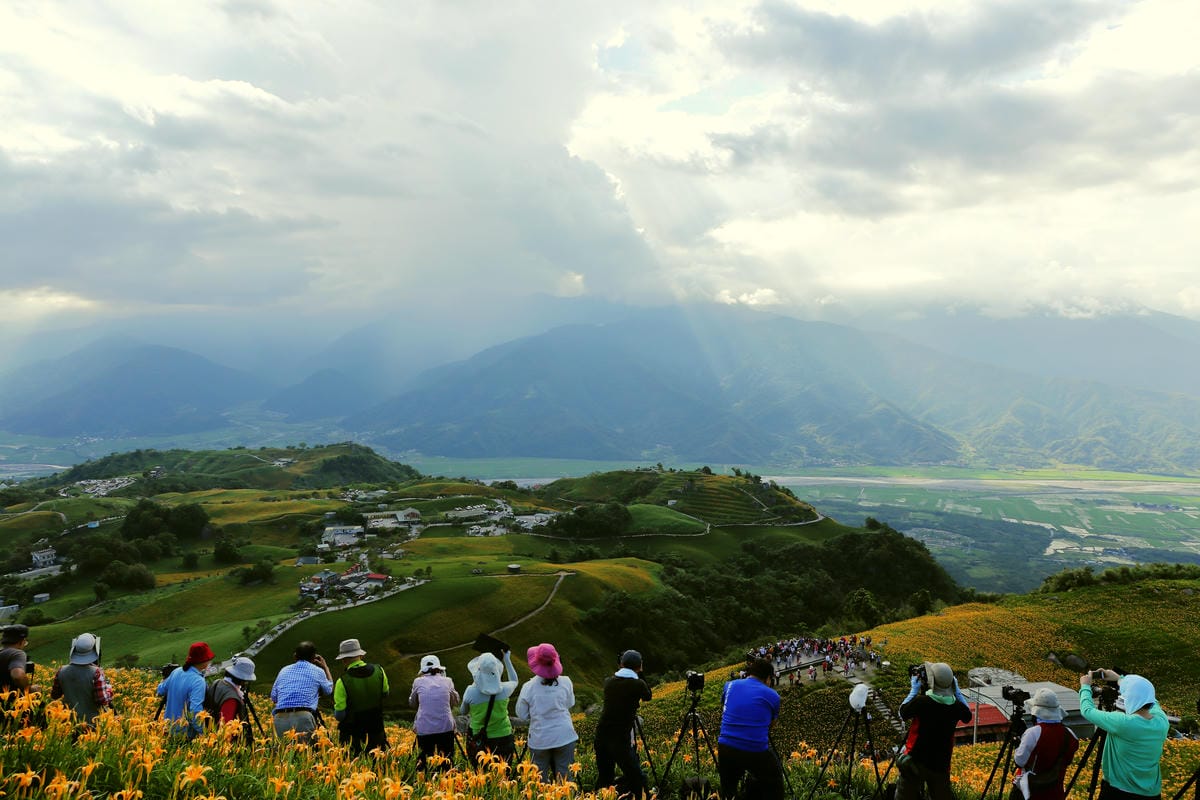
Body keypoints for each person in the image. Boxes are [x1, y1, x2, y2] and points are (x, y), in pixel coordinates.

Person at [1079, 669, 1168, 800]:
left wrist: (1085, 686)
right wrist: (1120, 679)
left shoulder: (1123, 723)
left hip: (1119, 791)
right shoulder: (1161, 721)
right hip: (1152, 793)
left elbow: (1087, 710)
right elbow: (1148, 697)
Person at [895, 662, 972, 800]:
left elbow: (902, 713)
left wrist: (914, 689)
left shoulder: (922, 702)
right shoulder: (956, 707)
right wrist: (957, 690)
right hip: (941, 764)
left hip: (915, 761)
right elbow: (968, 715)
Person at [717, 658, 783, 800]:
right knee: (775, 782)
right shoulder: (773, 696)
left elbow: (725, 706)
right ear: (768, 678)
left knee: (729, 790)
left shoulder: (729, 685)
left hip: (725, 746)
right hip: (755, 749)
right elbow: (770, 726)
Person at [594, 649, 653, 796]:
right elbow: (648, 696)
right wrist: (641, 672)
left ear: (621, 664)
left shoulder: (609, 682)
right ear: (639, 666)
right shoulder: (638, 684)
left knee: (605, 778)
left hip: (601, 736)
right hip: (619, 739)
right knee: (637, 778)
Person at [515, 643, 578, 780]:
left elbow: (522, 715)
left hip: (540, 738)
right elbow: (570, 703)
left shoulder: (528, 687)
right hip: (565, 736)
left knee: (539, 780)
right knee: (565, 779)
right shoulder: (566, 681)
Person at [1012, 688, 1079, 800]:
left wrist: (1019, 742)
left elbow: (1019, 761)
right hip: (1056, 792)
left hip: (1031, 792)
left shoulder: (1033, 733)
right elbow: (1067, 761)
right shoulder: (1070, 734)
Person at [460, 648, 519, 764]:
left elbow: (463, 711)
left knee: (481, 773)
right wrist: (507, 659)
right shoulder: (504, 690)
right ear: (497, 671)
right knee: (503, 776)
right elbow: (514, 680)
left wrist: (476, 681)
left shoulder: (470, 692)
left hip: (479, 738)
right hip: (503, 736)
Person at [332, 638, 389, 756]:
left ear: (343, 660)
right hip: (377, 730)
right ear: (360, 656)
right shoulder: (380, 670)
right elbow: (385, 694)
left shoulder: (342, 681)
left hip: (353, 737)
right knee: (378, 764)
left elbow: (339, 715)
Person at [270, 640, 334, 743]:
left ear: (295, 656)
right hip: (304, 718)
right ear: (314, 659)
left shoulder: (284, 670)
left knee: (282, 755)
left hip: (279, 718)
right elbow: (328, 690)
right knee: (307, 754)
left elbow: (274, 697)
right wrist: (325, 667)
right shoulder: (318, 671)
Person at [50, 632, 114, 727]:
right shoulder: (96, 672)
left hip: (68, 722)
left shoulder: (61, 670)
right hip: (92, 724)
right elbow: (102, 700)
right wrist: (109, 689)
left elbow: (55, 695)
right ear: (94, 650)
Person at [409, 654, 461, 771]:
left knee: (424, 761)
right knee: (447, 760)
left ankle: (424, 783)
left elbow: (412, 703)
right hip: (445, 727)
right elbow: (455, 701)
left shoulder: (418, 682)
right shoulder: (448, 681)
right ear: (439, 668)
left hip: (424, 728)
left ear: (423, 669)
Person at [157, 641, 214, 739]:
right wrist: (206, 734)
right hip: (184, 735)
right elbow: (195, 712)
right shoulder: (198, 681)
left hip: (167, 729)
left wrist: (166, 679)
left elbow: (160, 691)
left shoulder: (176, 671)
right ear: (204, 661)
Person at [210, 655, 257, 742]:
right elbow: (226, 727)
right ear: (242, 679)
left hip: (213, 736)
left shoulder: (218, 683)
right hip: (226, 745)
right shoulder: (232, 697)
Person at [0, 624, 33, 698]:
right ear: (22, 641)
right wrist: (30, 690)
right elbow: (18, 676)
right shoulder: (17, 653)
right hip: (10, 704)